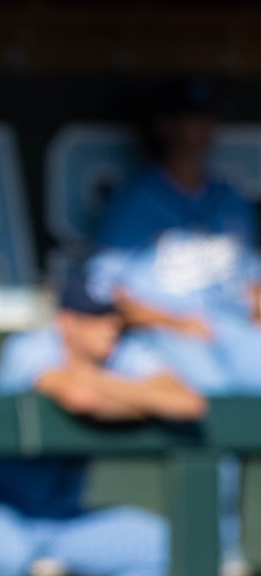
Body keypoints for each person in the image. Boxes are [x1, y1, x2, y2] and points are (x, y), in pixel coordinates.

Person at [90, 79, 255, 574]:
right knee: (216, 400)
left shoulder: (230, 201)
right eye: (186, 120)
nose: (197, 132)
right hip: (166, 337)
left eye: (205, 120)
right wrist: (178, 320)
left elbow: (251, 285)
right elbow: (107, 293)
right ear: (164, 128)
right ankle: (220, 548)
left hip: (231, 330)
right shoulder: (136, 202)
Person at [0, 269, 206, 576]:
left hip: (62, 521)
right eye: (97, 318)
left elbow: (188, 403)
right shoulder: (30, 346)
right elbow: (80, 398)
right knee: (9, 555)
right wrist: (143, 397)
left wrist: (95, 379)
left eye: (115, 317)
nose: (111, 328)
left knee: (161, 544)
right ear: (66, 322)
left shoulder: (123, 353)